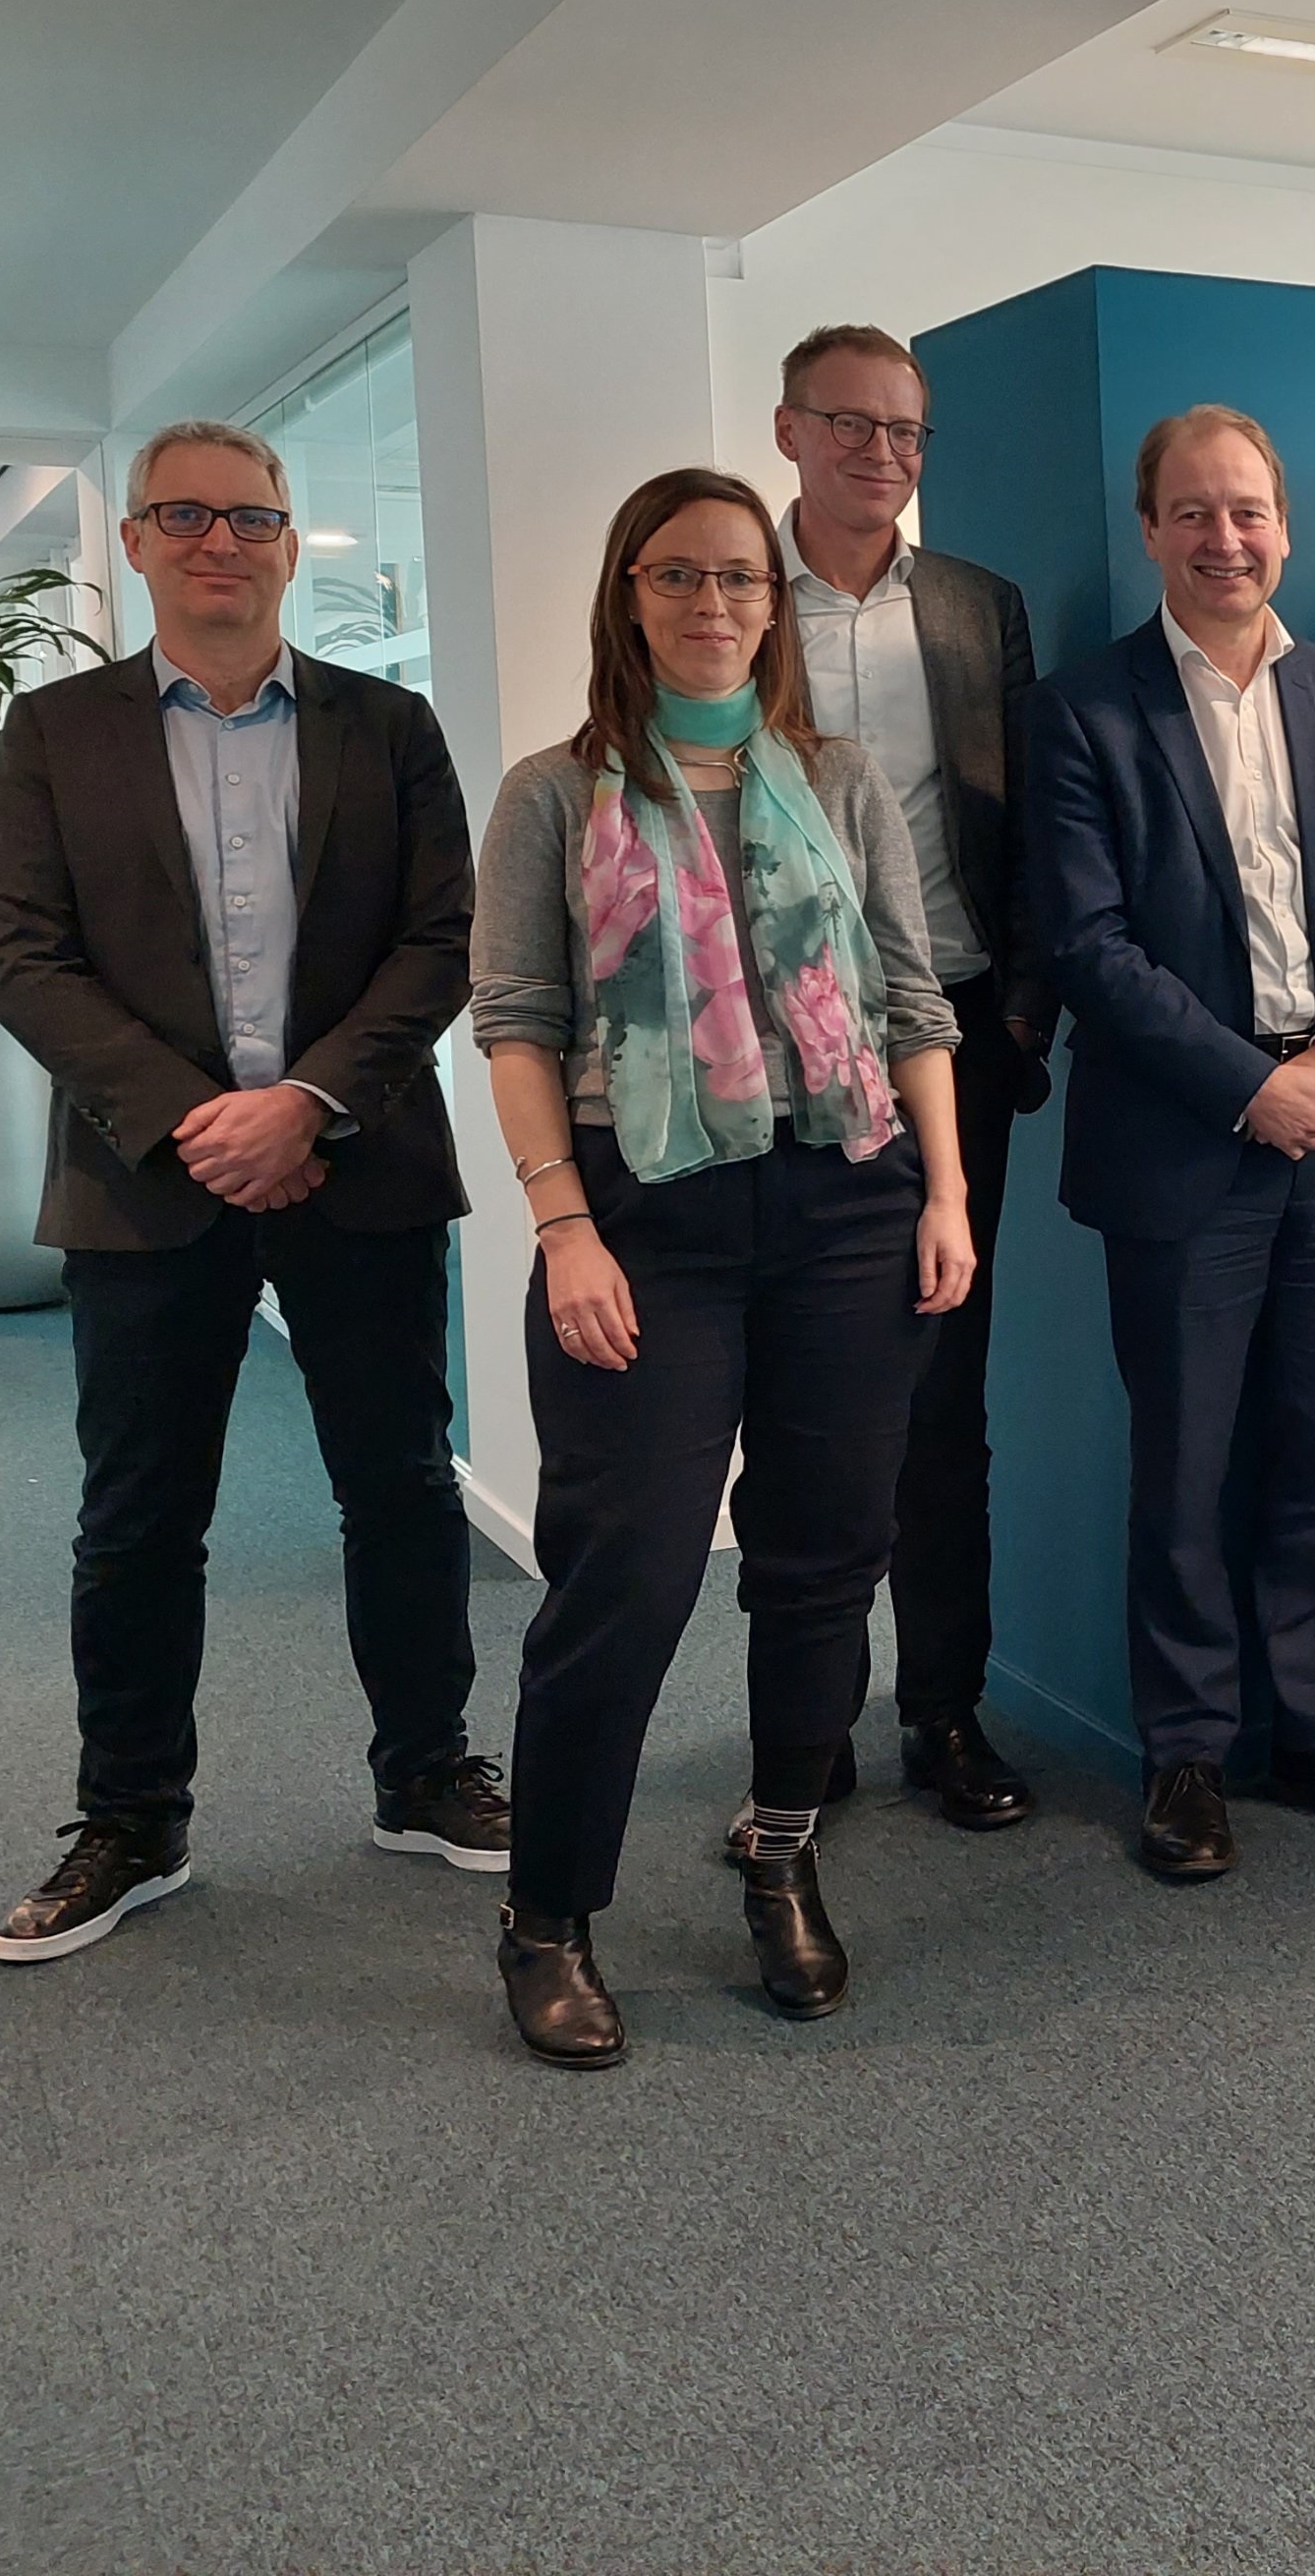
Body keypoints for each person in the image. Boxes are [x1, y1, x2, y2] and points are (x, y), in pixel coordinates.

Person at [471, 468, 976, 2067]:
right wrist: (565, 1229)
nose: (713, 606)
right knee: (625, 1571)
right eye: (680, 576)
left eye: (742, 581)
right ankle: (547, 1916)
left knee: (827, 1551)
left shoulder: (837, 777)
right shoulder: (554, 794)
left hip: (846, 1197)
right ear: (630, 593)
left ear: (773, 604)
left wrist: (946, 1194)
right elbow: (518, 1025)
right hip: (648, 1207)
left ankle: (779, 1851)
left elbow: (912, 1000)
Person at [0, 418, 491, 1964]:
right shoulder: (53, 734)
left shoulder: (388, 726)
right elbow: (25, 959)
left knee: (400, 1491)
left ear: (288, 540)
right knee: (139, 1519)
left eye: (254, 518)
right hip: (152, 1181)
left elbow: (439, 937)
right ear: (136, 543)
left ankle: (426, 1773)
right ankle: (131, 1818)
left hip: (360, 1166)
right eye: (186, 515)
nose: (222, 541)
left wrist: (313, 1103)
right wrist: (200, 1119)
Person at [1023, 403, 1315, 1883]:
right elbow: (1085, 943)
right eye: (1195, 513)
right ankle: (1188, 1754)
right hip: (1189, 1146)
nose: (1225, 539)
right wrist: (1245, 1083)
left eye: (1249, 512)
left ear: (1285, 526)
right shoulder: (1086, 711)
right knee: (1188, 1469)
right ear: (1150, 529)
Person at [768, 320, 1058, 1834]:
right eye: (852, 424)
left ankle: (943, 1713)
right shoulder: (729, 591)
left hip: (945, 1036)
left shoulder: (973, 607)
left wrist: (1019, 1022)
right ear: (790, 433)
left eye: (906, 431)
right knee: (807, 1406)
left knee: (947, 1406)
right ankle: (798, 1733)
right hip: (769, 1068)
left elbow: (1023, 823)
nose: (882, 454)